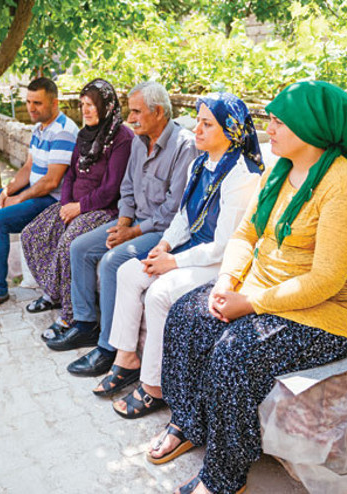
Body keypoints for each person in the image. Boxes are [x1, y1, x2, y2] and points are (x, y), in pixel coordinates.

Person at [151, 81, 347, 494]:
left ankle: (224, 476)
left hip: (331, 314)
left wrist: (250, 304)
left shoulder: (346, 190)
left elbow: (325, 281)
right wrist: (226, 283)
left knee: (234, 353)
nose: (267, 129)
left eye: (278, 122)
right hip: (266, 291)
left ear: (312, 129)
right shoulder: (280, 172)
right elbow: (245, 234)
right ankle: (189, 422)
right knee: (188, 316)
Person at [96, 93, 263, 420]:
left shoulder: (241, 176)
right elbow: (185, 217)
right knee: (129, 273)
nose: (196, 130)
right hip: (191, 250)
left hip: (220, 261)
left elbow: (225, 245)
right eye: (197, 121)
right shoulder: (202, 162)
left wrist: (172, 263)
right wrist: (165, 246)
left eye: (206, 124)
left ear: (230, 130)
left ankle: (154, 387)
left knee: (159, 293)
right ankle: (126, 358)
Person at [46, 81, 198, 378]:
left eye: (137, 112)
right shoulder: (141, 142)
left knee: (113, 259)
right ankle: (86, 324)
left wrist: (133, 232)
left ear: (158, 112)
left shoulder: (183, 146)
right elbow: (127, 188)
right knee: (80, 247)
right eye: (130, 111)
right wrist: (124, 223)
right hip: (134, 224)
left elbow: (172, 209)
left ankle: (108, 349)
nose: (131, 118)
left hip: (161, 231)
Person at [0, 77, 79, 314]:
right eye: (29, 102)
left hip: (51, 200)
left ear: (54, 103)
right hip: (34, 189)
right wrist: (8, 191)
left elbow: (51, 182)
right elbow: (28, 168)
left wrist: (19, 199)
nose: (31, 108)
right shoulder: (39, 127)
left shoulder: (64, 132)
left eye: (38, 103)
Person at [21, 79, 134, 335]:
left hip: (104, 209)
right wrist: (66, 206)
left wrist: (79, 208)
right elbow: (71, 174)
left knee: (70, 242)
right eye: (83, 105)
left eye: (92, 105)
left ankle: (70, 316)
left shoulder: (121, 138)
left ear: (106, 106)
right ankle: (54, 292)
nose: (86, 110)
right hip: (75, 204)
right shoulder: (85, 135)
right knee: (32, 233)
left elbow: (111, 188)